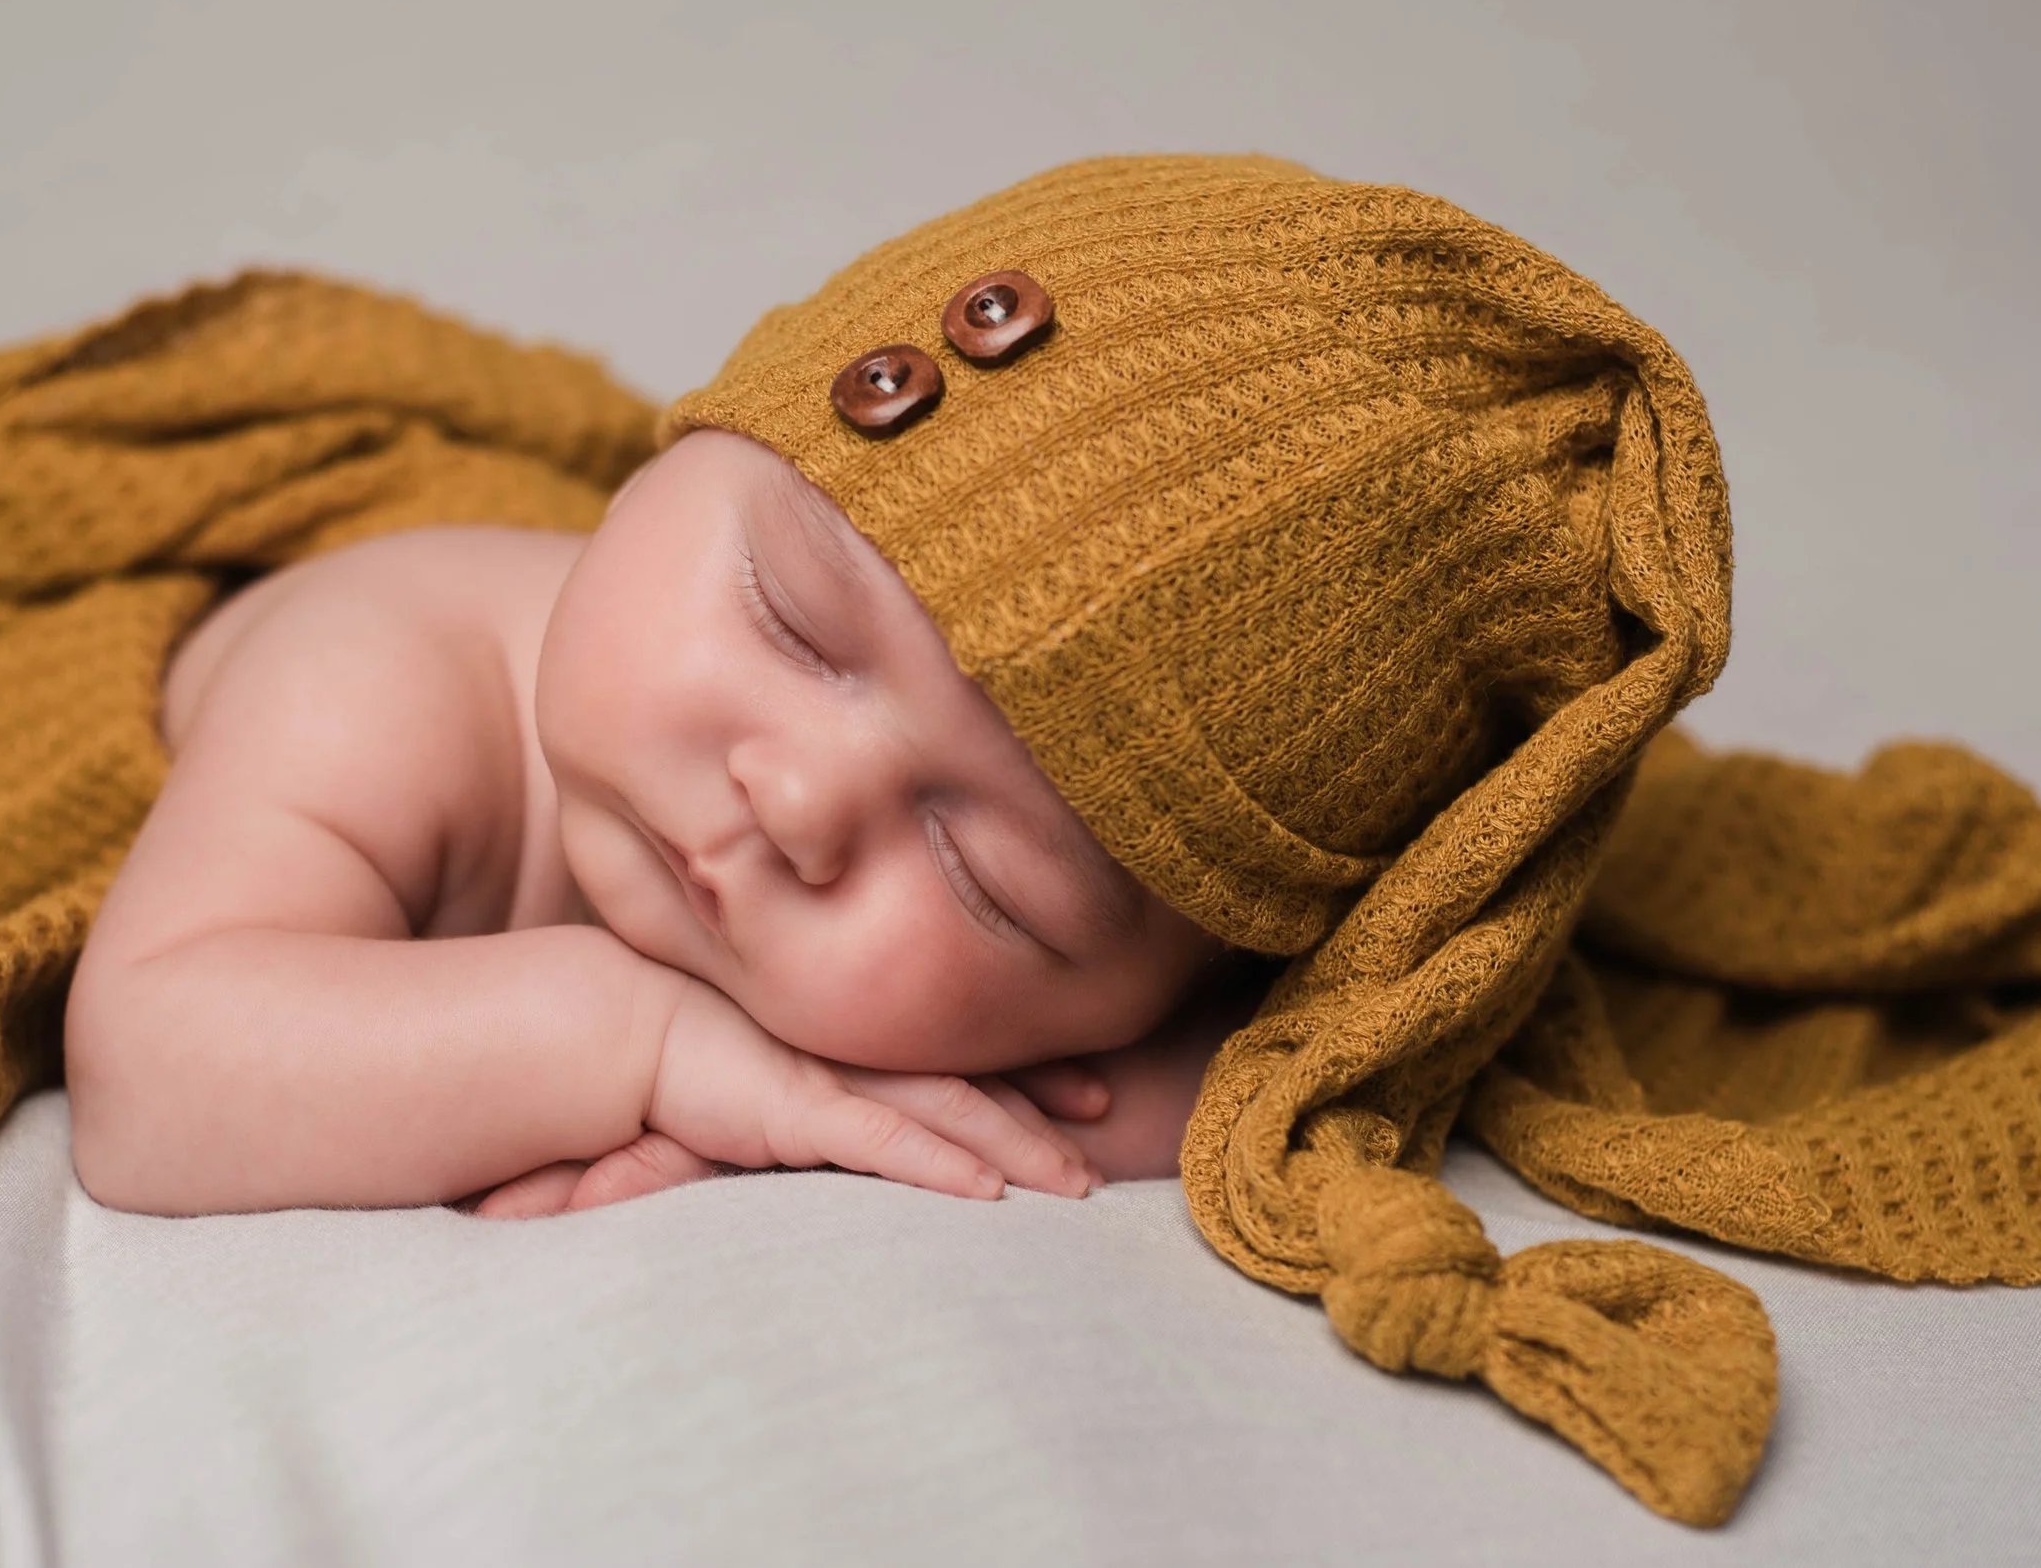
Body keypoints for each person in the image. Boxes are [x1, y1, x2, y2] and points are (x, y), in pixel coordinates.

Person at [64, 422, 1238, 1218]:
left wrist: (773, 1112)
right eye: (791, 621)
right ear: (670, 463)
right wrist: (649, 1049)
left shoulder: (1116, 982)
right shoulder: (383, 674)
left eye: (984, 878)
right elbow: (146, 1070)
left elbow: (1227, 1079)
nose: (795, 803)